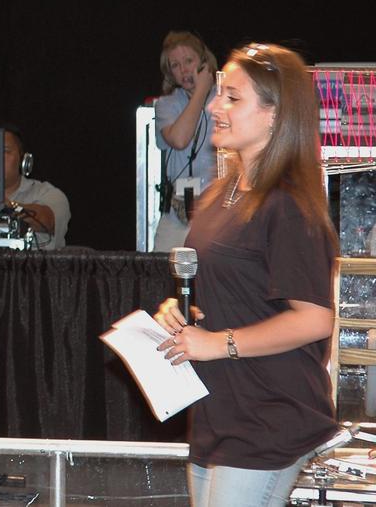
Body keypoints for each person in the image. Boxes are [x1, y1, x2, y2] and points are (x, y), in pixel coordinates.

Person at [154, 43, 339, 507]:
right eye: (219, 95)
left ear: (276, 114)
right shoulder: (222, 193)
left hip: (267, 419)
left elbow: (315, 319)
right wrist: (183, 314)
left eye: (233, 97)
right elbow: (233, 292)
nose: (214, 106)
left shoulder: (288, 205)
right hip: (219, 415)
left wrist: (219, 343)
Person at [153, 31, 220, 252]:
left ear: (204, 61)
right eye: (175, 65)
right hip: (178, 214)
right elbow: (179, 139)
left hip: (216, 213)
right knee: (161, 278)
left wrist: (206, 89)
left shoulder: (225, 100)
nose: (184, 70)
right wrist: (201, 90)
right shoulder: (166, 105)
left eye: (189, 61)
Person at [0, 125, 71, 249]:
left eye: (5, 151)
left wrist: (8, 207)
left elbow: (47, 220)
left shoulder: (47, 193)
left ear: (24, 160)